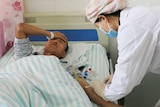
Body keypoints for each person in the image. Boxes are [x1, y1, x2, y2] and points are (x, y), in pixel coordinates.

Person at [14, 23, 122, 107]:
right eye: (53, 39)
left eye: (61, 41)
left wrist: (108, 105)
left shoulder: (67, 67)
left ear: (63, 54)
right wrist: (50, 34)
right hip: (21, 87)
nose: (55, 41)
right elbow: (21, 28)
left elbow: (85, 88)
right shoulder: (27, 55)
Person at [81, 0, 160, 105]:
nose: (101, 30)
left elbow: (123, 85)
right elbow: (138, 59)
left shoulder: (131, 28)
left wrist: (103, 92)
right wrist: (116, 76)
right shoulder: (135, 15)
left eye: (98, 26)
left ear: (102, 18)